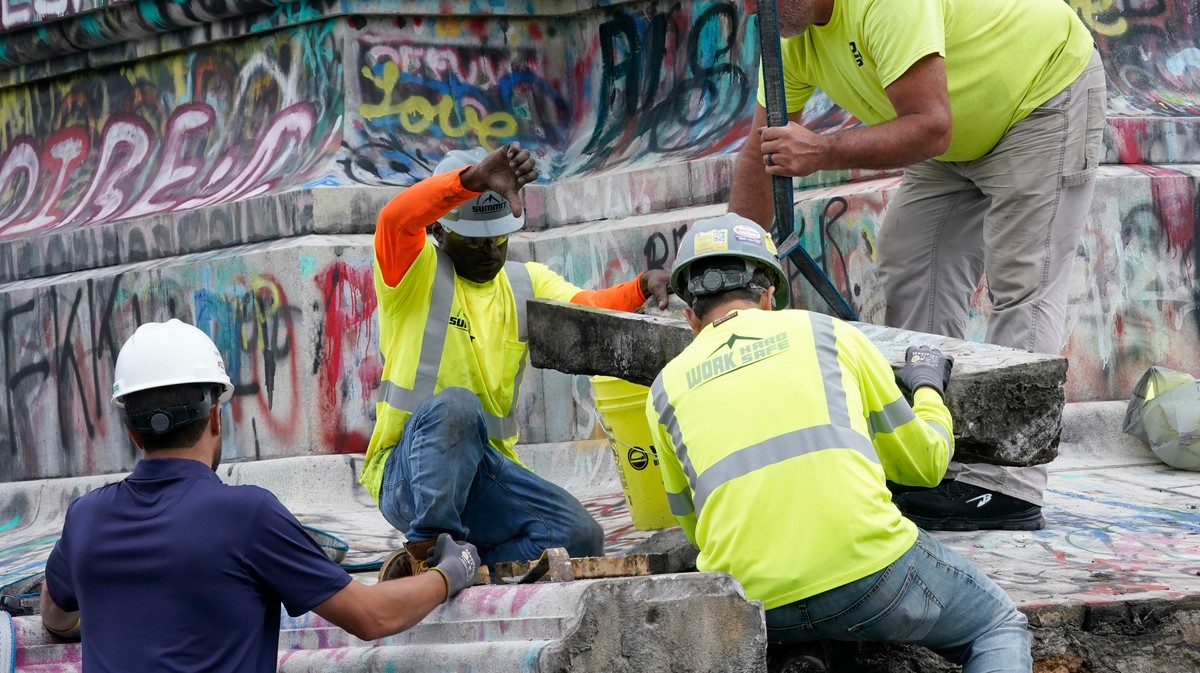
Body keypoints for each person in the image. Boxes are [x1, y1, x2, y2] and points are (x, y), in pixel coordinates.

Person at [728, 0, 1107, 531]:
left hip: (1040, 98)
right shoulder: (787, 35)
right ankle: (928, 457)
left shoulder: (883, 6)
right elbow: (758, 153)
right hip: (957, 132)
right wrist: (726, 267)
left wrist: (823, 151)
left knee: (1024, 283)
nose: (750, 6)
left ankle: (1009, 485)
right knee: (909, 262)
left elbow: (930, 126)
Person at [646, 214, 1032, 672]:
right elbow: (925, 464)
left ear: (691, 318)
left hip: (753, 599)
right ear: (770, 296)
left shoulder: (662, 391)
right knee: (997, 625)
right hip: (869, 573)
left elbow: (694, 525)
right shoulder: (829, 335)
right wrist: (927, 385)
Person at [39, 319, 481, 673]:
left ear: (132, 432)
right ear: (215, 416)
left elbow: (55, 617)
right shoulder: (246, 516)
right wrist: (452, 571)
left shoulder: (85, 519)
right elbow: (371, 617)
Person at [363, 142, 672, 578]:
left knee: (579, 535)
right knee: (458, 405)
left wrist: (641, 286)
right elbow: (395, 218)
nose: (490, 249)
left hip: (484, 473)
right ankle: (428, 551)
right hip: (409, 475)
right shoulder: (413, 271)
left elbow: (587, 306)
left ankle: (460, 568)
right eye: (475, 241)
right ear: (439, 232)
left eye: (499, 238)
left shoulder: (524, 284)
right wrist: (470, 180)